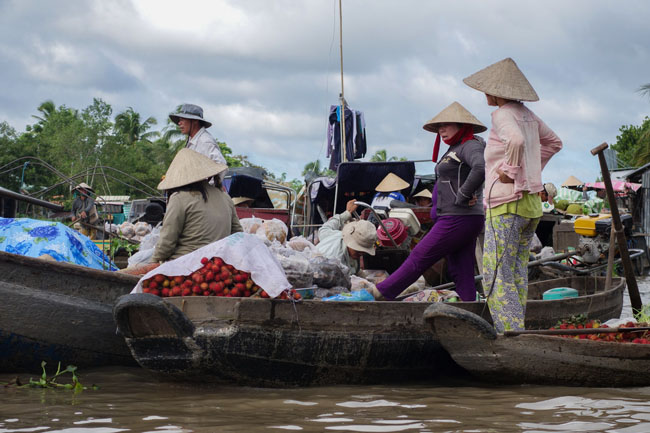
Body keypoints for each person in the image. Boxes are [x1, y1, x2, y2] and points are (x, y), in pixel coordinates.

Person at [463, 57, 563, 332]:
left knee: (496, 270)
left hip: (507, 203)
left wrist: (511, 170)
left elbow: (516, 141)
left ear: (497, 92)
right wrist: (530, 170)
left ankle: (508, 330)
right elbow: (555, 143)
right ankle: (516, 325)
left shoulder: (503, 114)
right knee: (517, 270)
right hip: (530, 206)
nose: (484, 94)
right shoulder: (528, 115)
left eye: (487, 90)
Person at [372, 101, 487, 302]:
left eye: (447, 125)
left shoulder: (470, 145)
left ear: (462, 125)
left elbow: (480, 168)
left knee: (420, 255)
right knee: (461, 268)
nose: (441, 129)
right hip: (458, 217)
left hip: (458, 217)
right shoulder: (455, 147)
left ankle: (381, 292)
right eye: (439, 126)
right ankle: (470, 307)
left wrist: (464, 195)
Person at [152, 148, 243, 263]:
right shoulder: (225, 197)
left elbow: (167, 242)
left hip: (185, 266)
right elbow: (238, 234)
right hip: (218, 266)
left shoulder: (179, 198)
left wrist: (154, 262)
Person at [315, 199, 377, 275]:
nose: (360, 255)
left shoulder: (335, 235)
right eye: (358, 252)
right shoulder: (336, 262)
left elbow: (324, 229)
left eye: (363, 253)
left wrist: (347, 213)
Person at [169, 104, 228, 182]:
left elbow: (222, 166)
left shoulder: (205, 141)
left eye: (182, 119)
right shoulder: (191, 140)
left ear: (195, 121)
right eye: (179, 120)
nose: (179, 123)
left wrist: (208, 188)